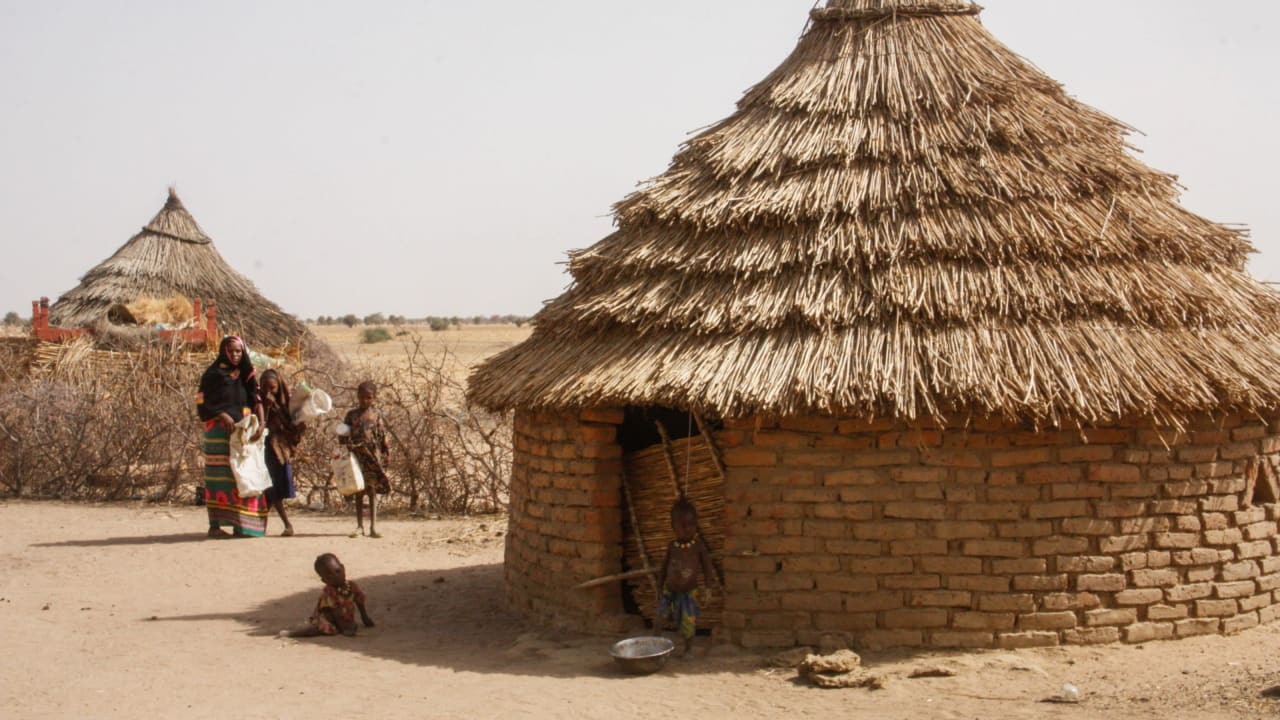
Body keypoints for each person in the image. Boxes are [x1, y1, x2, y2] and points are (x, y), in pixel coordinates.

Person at [196, 336, 268, 538]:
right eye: (232, 351)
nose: (236, 355)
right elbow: (202, 403)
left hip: (244, 432)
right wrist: (222, 414)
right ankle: (215, 526)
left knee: (244, 475)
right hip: (219, 433)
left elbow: (257, 398)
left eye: (239, 351)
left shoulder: (247, 373)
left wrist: (262, 424)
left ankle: (243, 526)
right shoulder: (212, 375)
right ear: (223, 351)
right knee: (220, 478)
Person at [656, 496, 721, 657]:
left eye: (691, 524)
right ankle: (655, 645)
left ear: (696, 524)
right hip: (669, 590)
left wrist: (708, 588)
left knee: (689, 622)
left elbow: (707, 568)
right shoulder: (672, 546)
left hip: (688, 592)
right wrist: (659, 588)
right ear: (673, 526)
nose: (687, 529)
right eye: (681, 525)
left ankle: (688, 649)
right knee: (660, 618)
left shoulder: (698, 547)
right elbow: (663, 568)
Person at [280, 553, 374, 637]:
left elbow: (359, 601)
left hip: (344, 618)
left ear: (343, 568)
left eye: (338, 571)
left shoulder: (352, 586)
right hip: (327, 619)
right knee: (314, 630)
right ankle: (291, 633)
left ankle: (346, 626)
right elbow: (335, 613)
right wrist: (345, 628)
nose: (336, 576)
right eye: (329, 576)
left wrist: (365, 618)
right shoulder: (329, 592)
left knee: (352, 626)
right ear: (324, 580)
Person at [341, 381, 390, 538]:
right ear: (357, 396)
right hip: (356, 457)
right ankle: (360, 526)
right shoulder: (351, 415)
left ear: (374, 398)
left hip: (372, 457)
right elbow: (342, 434)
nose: (365, 401)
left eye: (368, 398)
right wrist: (345, 444)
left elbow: (382, 436)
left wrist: (386, 453)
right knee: (359, 490)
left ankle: (373, 527)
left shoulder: (376, 416)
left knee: (372, 490)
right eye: (362, 397)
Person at [260, 369, 305, 537]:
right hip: (264, 448)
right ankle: (286, 523)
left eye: (272, 388)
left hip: (281, 449)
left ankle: (265, 524)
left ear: (279, 387)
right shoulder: (258, 402)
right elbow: (259, 423)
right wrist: (266, 406)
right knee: (270, 487)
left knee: (274, 487)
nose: (268, 392)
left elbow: (294, 427)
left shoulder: (288, 405)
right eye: (265, 388)